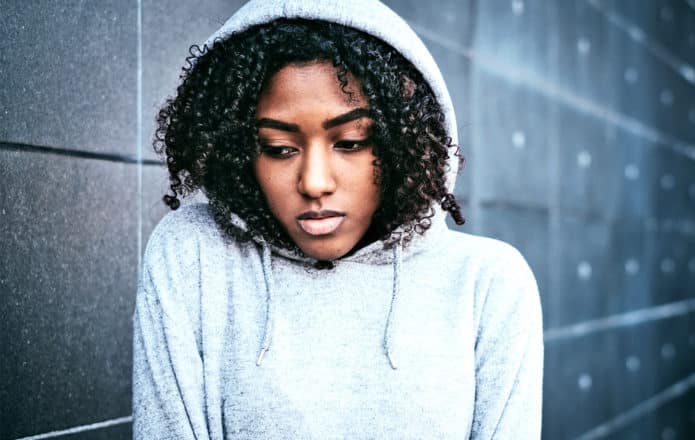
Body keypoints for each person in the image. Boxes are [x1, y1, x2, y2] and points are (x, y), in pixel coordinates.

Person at [132, 0, 543, 438]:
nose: (314, 182)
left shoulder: (487, 286)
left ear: (400, 140)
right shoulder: (194, 255)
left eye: (350, 142)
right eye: (278, 147)